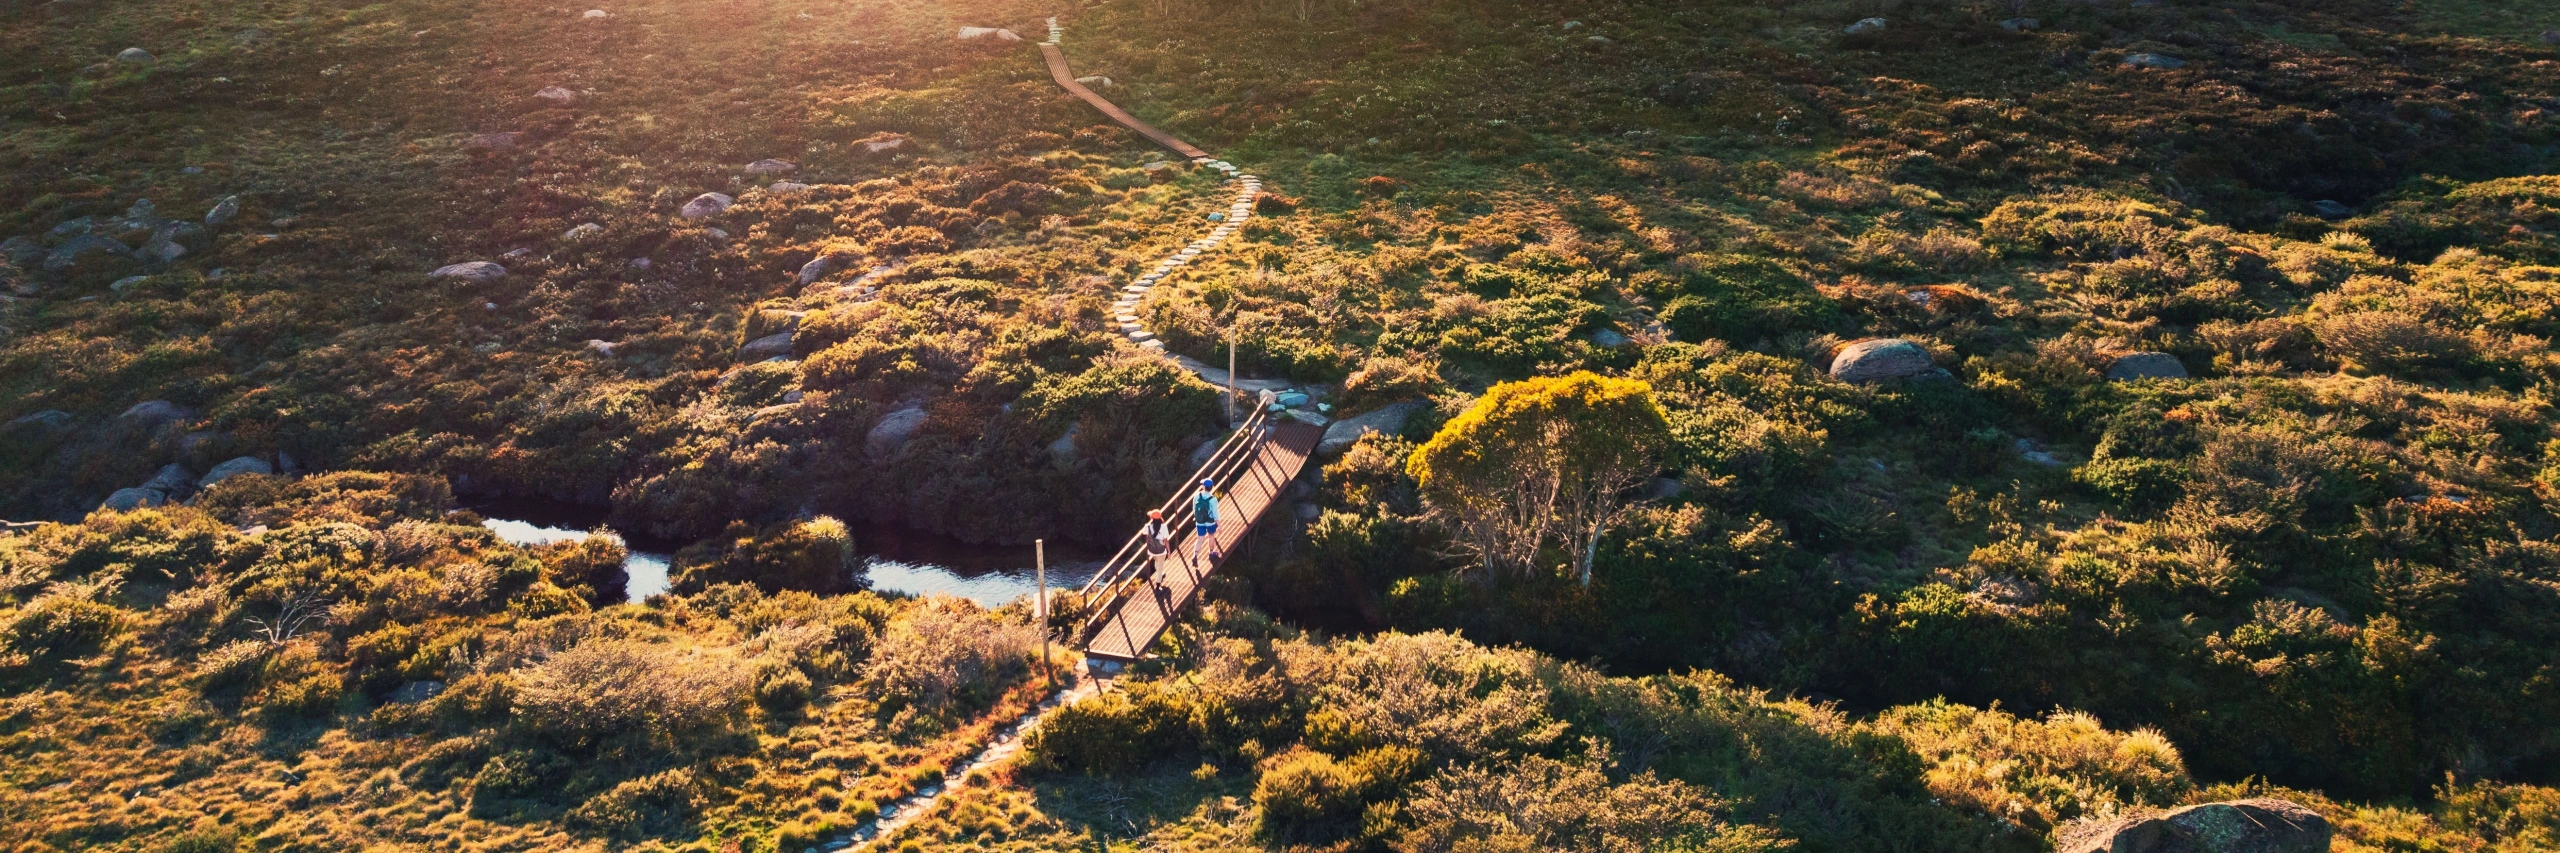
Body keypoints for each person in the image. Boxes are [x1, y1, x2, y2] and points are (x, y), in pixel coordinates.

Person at [1189, 478, 1222, 566]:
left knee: (1200, 538)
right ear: (1212, 487)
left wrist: (1196, 517)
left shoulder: (1196, 496)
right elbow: (1215, 514)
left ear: (1204, 487)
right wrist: (1219, 525)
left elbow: (1194, 508)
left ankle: (1195, 555)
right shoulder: (1213, 499)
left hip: (1199, 521)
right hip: (1210, 521)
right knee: (1211, 536)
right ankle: (1211, 553)